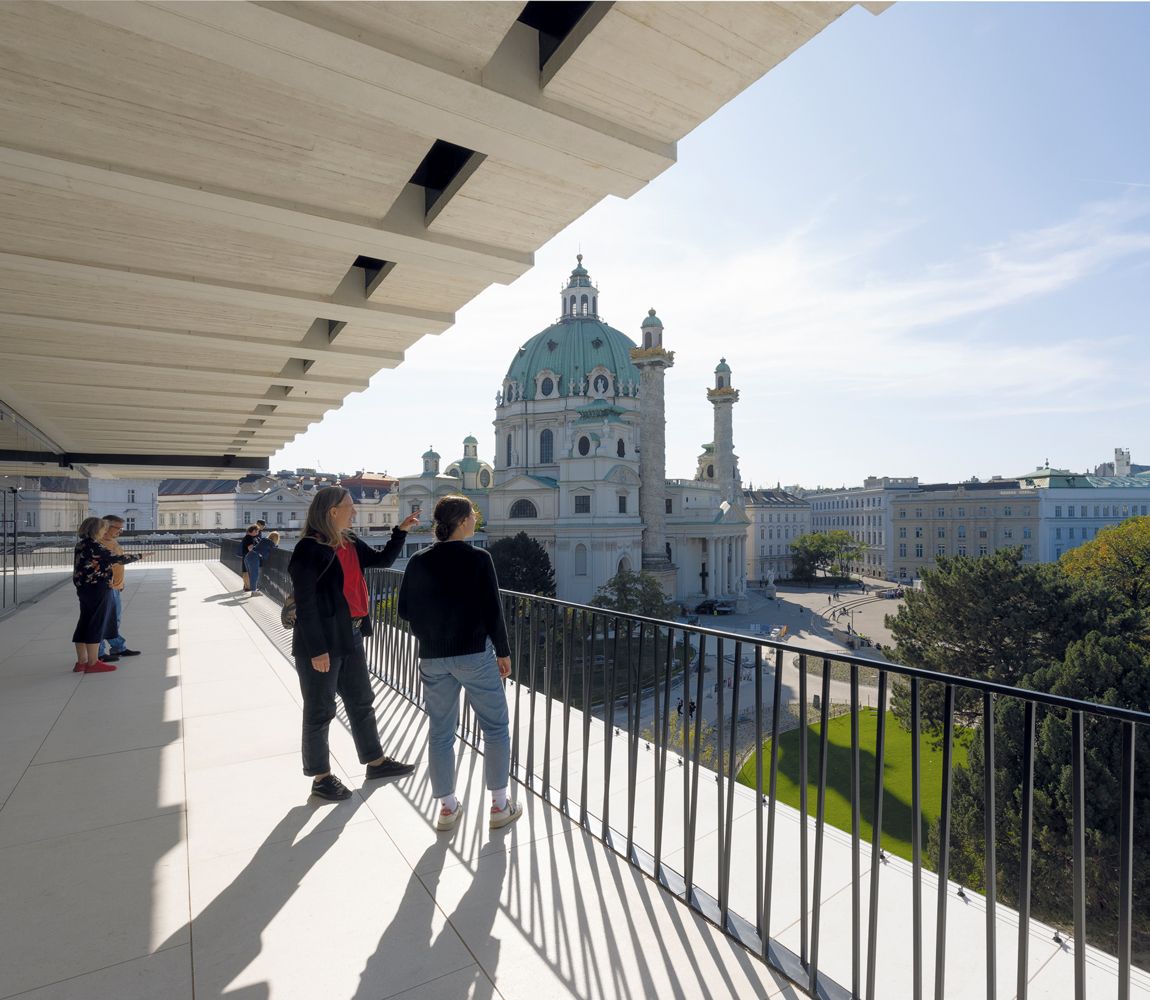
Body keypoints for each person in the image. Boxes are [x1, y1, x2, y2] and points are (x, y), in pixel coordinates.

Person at [288, 487, 420, 802]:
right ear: (332, 511)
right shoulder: (309, 549)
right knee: (320, 710)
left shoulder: (348, 541)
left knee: (362, 700)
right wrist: (318, 649)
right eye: (350, 506)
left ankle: (375, 762)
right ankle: (321, 778)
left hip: (352, 634)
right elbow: (305, 604)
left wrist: (400, 532)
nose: (355, 511)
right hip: (322, 642)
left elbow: (381, 559)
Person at [398, 495, 520, 833]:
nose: (475, 519)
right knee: (494, 727)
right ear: (463, 521)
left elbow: (405, 611)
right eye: (472, 515)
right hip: (473, 654)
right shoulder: (479, 558)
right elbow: (492, 609)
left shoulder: (418, 561)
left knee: (440, 731)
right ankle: (498, 804)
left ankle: (447, 808)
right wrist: (503, 651)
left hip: (433, 656)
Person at [72, 517, 143, 673]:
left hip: (85, 589)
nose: (104, 531)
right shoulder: (94, 545)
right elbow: (118, 559)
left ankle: (82, 662)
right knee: (96, 624)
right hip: (97, 589)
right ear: (96, 530)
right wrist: (140, 556)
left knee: (84, 623)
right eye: (103, 529)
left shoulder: (81, 544)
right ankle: (93, 662)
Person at [97, 515, 142, 662]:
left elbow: (117, 565)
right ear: (107, 527)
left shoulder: (112, 541)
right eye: (118, 528)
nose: (121, 531)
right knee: (104, 620)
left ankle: (117, 647)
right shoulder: (99, 544)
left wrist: (120, 583)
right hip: (107, 588)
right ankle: (100, 652)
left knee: (114, 620)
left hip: (115, 587)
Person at [248, 530, 280, 596]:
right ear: (276, 539)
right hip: (254, 557)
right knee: (254, 575)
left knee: (253, 574)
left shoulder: (264, 540)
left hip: (249, 555)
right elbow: (274, 547)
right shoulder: (271, 542)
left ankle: (254, 590)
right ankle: (254, 592)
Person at [239, 524, 260, 592]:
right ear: (253, 531)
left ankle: (247, 587)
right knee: (249, 572)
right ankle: (248, 587)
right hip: (249, 557)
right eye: (257, 531)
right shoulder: (249, 537)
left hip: (245, 556)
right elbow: (250, 548)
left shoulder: (247, 537)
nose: (258, 533)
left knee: (245, 571)